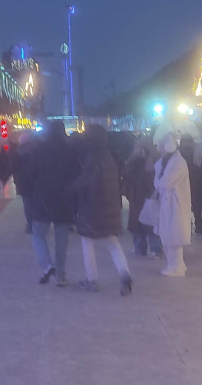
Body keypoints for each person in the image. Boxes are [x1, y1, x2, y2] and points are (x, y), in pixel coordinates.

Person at [73, 125, 132, 295]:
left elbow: (86, 181)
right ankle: (124, 273)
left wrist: (69, 189)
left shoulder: (93, 157)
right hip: (110, 206)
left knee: (87, 242)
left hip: (92, 207)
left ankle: (91, 279)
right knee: (112, 242)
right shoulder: (108, 156)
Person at [29, 120, 80, 286]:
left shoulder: (39, 150)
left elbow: (31, 173)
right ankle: (60, 276)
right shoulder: (70, 151)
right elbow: (76, 174)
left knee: (38, 234)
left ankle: (47, 265)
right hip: (64, 199)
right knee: (62, 239)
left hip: (42, 197)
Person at [155, 134, 192, 277]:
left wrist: (159, 183)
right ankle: (175, 264)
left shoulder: (178, 162)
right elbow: (159, 183)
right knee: (167, 234)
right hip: (167, 203)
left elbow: (165, 182)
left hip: (175, 204)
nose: (159, 150)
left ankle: (176, 267)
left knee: (174, 236)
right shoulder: (165, 161)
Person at [124, 137, 163, 258]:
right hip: (141, 196)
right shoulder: (152, 161)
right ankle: (145, 248)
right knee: (144, 223)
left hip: (144, 196)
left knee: (148, 223)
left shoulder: (153, 161)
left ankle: (152, 249)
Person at [178, 134, 202, 236]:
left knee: (190, 205)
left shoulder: (178, 152)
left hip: (190, 181)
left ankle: (191, 226)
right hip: (190, 181)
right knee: (194, 205)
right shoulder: (195, 151)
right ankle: (195, 226)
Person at [13, 133, 35, 234]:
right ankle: (37, 223)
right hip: (36, 181)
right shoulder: (36, 150)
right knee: (35, 202)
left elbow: (14, 168)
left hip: (24, 182)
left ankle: (30, 224)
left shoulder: (17, 152)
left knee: (27, 204)